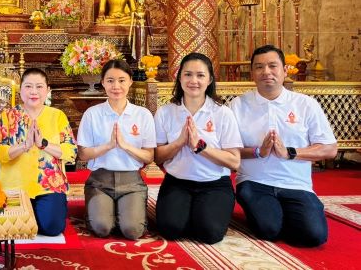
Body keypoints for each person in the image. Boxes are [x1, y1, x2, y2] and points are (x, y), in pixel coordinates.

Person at [231, 44, 337, 247]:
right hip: (255, 182)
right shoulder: (238, 105)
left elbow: (329, 148)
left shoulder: (305, 104)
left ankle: (303, 210)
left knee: (314, 236)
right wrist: (258, 151)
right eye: (259, 67)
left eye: (273, 66)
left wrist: (289, 152)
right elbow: (229, 150)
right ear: (252, 72)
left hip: (296, 184)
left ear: (285, 70)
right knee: (268, 229)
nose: (266, 72)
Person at [154, 52, 242, 244]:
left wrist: (201, 147)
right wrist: (179, 143)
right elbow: (158, 157)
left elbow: (234, 161)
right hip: (177, 182)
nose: (194, 80)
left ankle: (202, 213)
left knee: (209, 234)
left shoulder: (222, 113)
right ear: (179, 77)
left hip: (214, 184)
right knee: (170, 229)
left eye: (200, 75)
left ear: (210, 79)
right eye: (188, 74)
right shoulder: (166, 112)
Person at [0, 68, 77, 236]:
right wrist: (24, 146)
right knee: (13, 230)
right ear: (20, 90)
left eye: (39, 87)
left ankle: (37, 216)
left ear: (47, 90)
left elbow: (71, 151)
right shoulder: (8, 115)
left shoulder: (57, 116)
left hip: (49, 185)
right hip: (15, 185)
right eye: (28, 86)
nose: (34, 92)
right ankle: (29, 216)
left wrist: (43, 144)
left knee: (52, 228)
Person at [77, 60, 156, 239]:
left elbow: (149, 156)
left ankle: (124, 212)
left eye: (122, 80)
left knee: (132, 231)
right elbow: (83, 154)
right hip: (99, 181)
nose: (116, 86)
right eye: (110, 80)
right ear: (103, 82)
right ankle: (102, 211)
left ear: (130, 82)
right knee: (101, 228)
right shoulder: (92, 114)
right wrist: (108, 146)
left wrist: (125, 146)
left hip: (131, 182)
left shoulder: (142, 115)